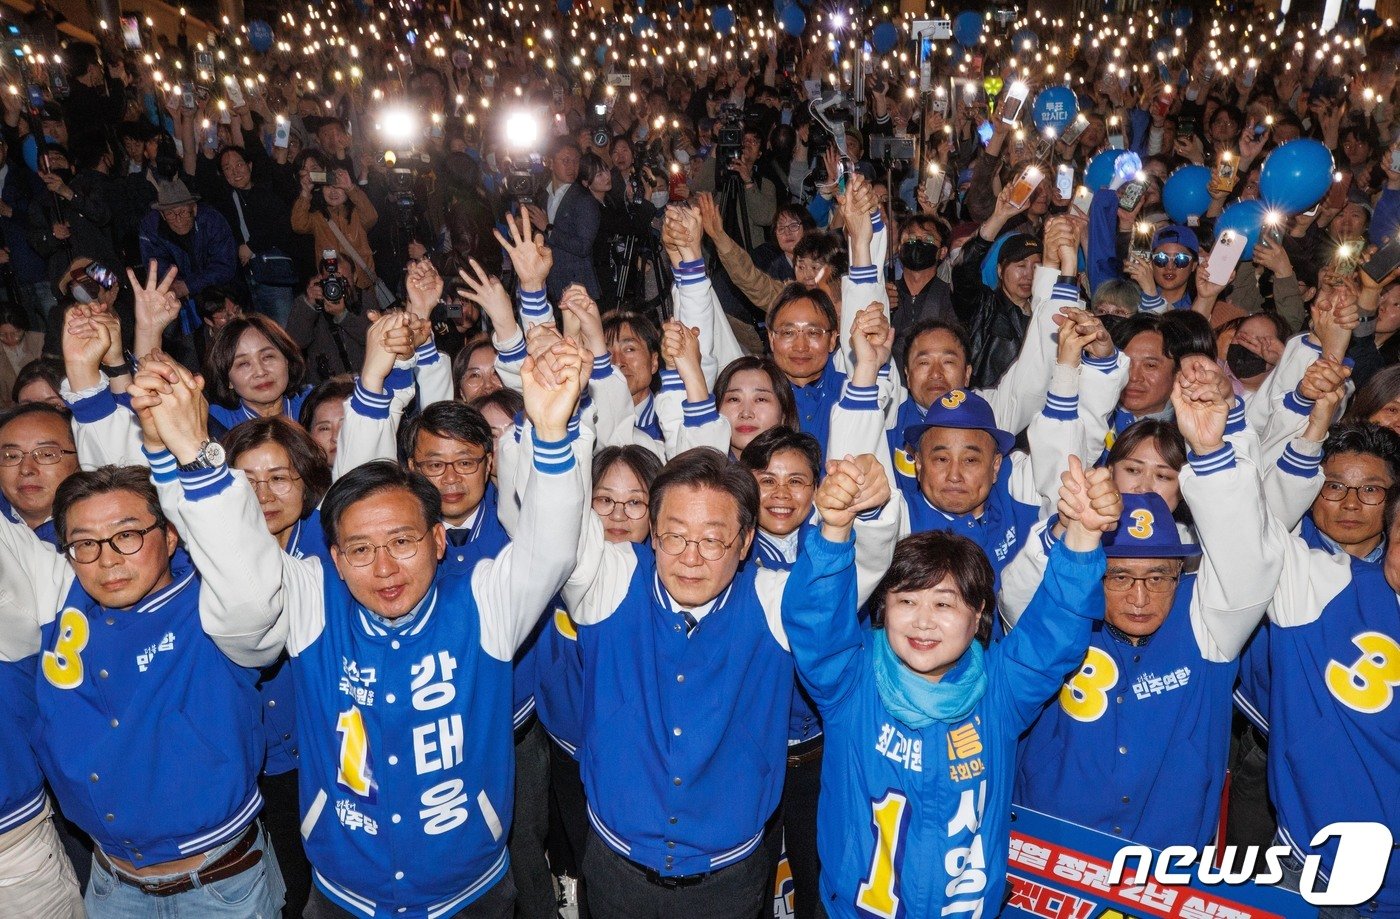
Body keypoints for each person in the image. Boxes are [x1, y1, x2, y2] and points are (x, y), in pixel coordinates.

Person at [131, 328, 588, 917]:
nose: (384, 567)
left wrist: (550, 432)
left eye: (402, 542)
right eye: (360, 550)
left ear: (438, 540)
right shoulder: (313, 596)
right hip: (345, 895)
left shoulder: (483, 600)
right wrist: (195, 456)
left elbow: (550, 550)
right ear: (336, 558)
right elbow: (245, 590)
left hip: (470, 892)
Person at [561, 447, 895, 917]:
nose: (690, 558)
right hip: (617, 865)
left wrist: (863, 515)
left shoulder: (771, 596)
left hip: (729, 877)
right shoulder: (611, 578)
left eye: (713, 540)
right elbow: (550, 530)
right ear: (652, 535)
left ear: (744, 542)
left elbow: (838, 590)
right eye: (674, 536)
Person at [780, 452, 1116, 918]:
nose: (922, 622)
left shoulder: (1000, 693)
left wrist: (1082, 536)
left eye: (944, 604)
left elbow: (1055, 634)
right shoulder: (852, 687)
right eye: (906, 600)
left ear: (977, 614)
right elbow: (814, 622)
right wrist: (834, 530)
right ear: (884, 610)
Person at [1007, 361, 1285, 849]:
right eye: (1119, 576)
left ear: (1182, 572)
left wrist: (1211, 452)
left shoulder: (1208, 626)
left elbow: (1248, 562)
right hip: (1050, 859)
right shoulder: (1063, 616)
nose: (1140, 597)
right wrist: (1064, 531)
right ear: (1092, 571)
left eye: (1158, 576)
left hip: (1164, 870)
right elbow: (1016, 597)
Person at [137, 178, 238, 315]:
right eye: (170, 214)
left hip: (218, 290)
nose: (178, 219)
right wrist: (180, 289)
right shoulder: (151, 228)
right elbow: (158, 267)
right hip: (178, 296)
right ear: (162, 215)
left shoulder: (212, 221)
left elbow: (225, 265)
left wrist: (189, 285)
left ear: (194, 208)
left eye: (183, 211)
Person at [530, 139, 601, 302]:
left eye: (576, 161)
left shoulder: (584, 199)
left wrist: (548, 228)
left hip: (577, 288)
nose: (572, 167)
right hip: (550, 285)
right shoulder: (543, 195)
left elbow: (583, 246)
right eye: (566, 161)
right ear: (549, 162)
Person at [0, 401, 78, 545]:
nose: (26, 469)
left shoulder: (97, 529)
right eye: (11, 456)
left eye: (46, 454)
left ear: (79, 460)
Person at [0, 304, 45, 409]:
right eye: (2, 335)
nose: (10, 339)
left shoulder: (40, 341)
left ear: (24, 329)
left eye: (16, 333)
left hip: (42, 405)